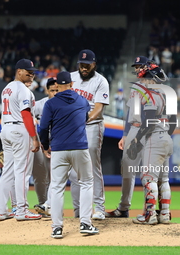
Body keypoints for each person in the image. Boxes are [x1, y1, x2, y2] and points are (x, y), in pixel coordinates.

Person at [39, 71, 99, 239]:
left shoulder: (51, 103)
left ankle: (56, 228)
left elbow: (43, 128)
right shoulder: (82, 100)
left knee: (57, 187)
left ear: (57, 85)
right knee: (86, 183)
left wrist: (45, 145)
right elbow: (85, 116)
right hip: (80, 147)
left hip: (58, 149)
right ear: (72, 84)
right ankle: (86, 223)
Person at [129, 63, 176, 225]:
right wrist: (165, 135)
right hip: (167, 139)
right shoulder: (166, 94)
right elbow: (174, 123)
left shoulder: (150, 95)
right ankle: (164, 214)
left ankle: (149, 215)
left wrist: (137, 138)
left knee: (148, 178)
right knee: (164, 179)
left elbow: (148, 122)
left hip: (154, 138)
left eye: (144, 78)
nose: (142, 81)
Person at [0, 58, 42, 221]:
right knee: (22, 172)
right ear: (19, 71)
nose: (31, 75)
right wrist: (34, 138)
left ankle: (2, 211)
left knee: (7, 171)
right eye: (28, 72)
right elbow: (26, 114)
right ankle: (21, 211)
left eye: (33, 73)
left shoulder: (6, 89)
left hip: (6, 129)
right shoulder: (22, 89)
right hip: (20, 130)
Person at [105, 56, 149, 218]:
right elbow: (129, 113)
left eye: (140, 66)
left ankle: (150, 209)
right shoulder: (135, 87)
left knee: (148, 173)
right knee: (127, 171)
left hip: (148, 132)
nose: (137, 69)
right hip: (132, 132)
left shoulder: (156, 86)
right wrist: (125, 134)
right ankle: (124, 208)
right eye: (136, 67)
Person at [69, 49, 110, 220]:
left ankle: (99, 207)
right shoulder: (71, 78)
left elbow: (98, 109)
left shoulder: (101, 81)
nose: (84, 68)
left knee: (93, 166)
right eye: (81, 64)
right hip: (72, 127)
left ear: (94, 64)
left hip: (92, 125)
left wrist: (82, 119)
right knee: (73, 171)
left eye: (87, 65)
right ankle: (78, 210)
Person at [33, 77, 59, 217]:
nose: (54, 93)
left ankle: (49, 205)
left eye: (57, 90)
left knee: (55, 177)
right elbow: (26, 115)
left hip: (57, 144)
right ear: (46, 90)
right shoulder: (39, 105)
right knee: (40, 176)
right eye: (52, 90)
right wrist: (34, 119)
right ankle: (43, 204)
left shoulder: (63, 104)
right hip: (42, 143)